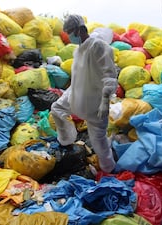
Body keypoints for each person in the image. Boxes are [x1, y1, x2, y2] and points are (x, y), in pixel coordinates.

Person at [50, 14, 118, 173]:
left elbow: (109, 77)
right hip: (77, 93)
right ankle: (67, 138)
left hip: (95, 103)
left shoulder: (98, 47)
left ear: (81, 29)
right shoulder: (79, 50)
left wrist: (105, 102)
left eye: (70, 32)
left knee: (98, 142)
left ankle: (110, 169)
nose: (70, 36)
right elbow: (79, 77)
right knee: (57, 108)